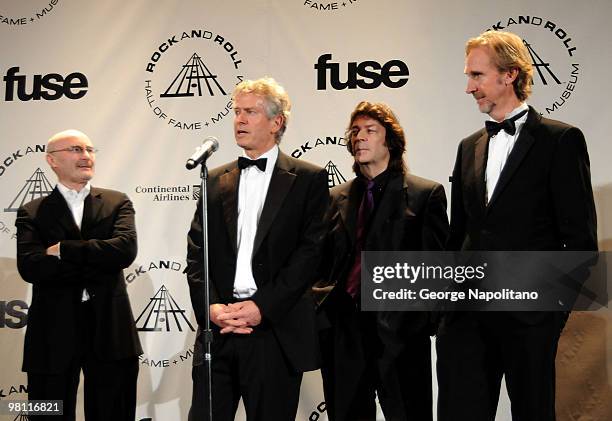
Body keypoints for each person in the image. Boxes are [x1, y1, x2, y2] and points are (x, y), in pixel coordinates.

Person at [437, 30, 597, 421]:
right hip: (467, 319)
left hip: (530, 318)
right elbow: (460, 234)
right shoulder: (468, 146)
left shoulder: (560, 140)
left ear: (509, 75)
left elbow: (579, 241)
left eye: (476, 75)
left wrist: (548, 315)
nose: (468, 87)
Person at [185, 77, 329, 420]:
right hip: (218, 332)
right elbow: (196, 252)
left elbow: (310, 255)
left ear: (276, 122)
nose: (239, 119)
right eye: (236, 112)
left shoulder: (308, 178)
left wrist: (261, 307)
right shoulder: (215, 178)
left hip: (273, 332)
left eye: (250, 112)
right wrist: (212, 308)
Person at [313, 101, 449, 421]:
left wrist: (417, 324)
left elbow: (436, 270)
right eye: (355, 131)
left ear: (391, 140)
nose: (360, 137)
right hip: (344, 334)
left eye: (370, 130)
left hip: (400, 337)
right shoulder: (334, 199)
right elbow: (319, 265)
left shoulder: (425, 194)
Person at [15, 129, 142, 421]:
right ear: (52, 161)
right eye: (75, 149)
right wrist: (98, 257)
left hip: (110, 330)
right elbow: (31, 267)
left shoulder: (117, 202)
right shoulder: (31, 212)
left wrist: (63, 250)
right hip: (51, 334)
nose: (86, 156)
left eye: (89, 149)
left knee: (115, 414)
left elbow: (124, 251)